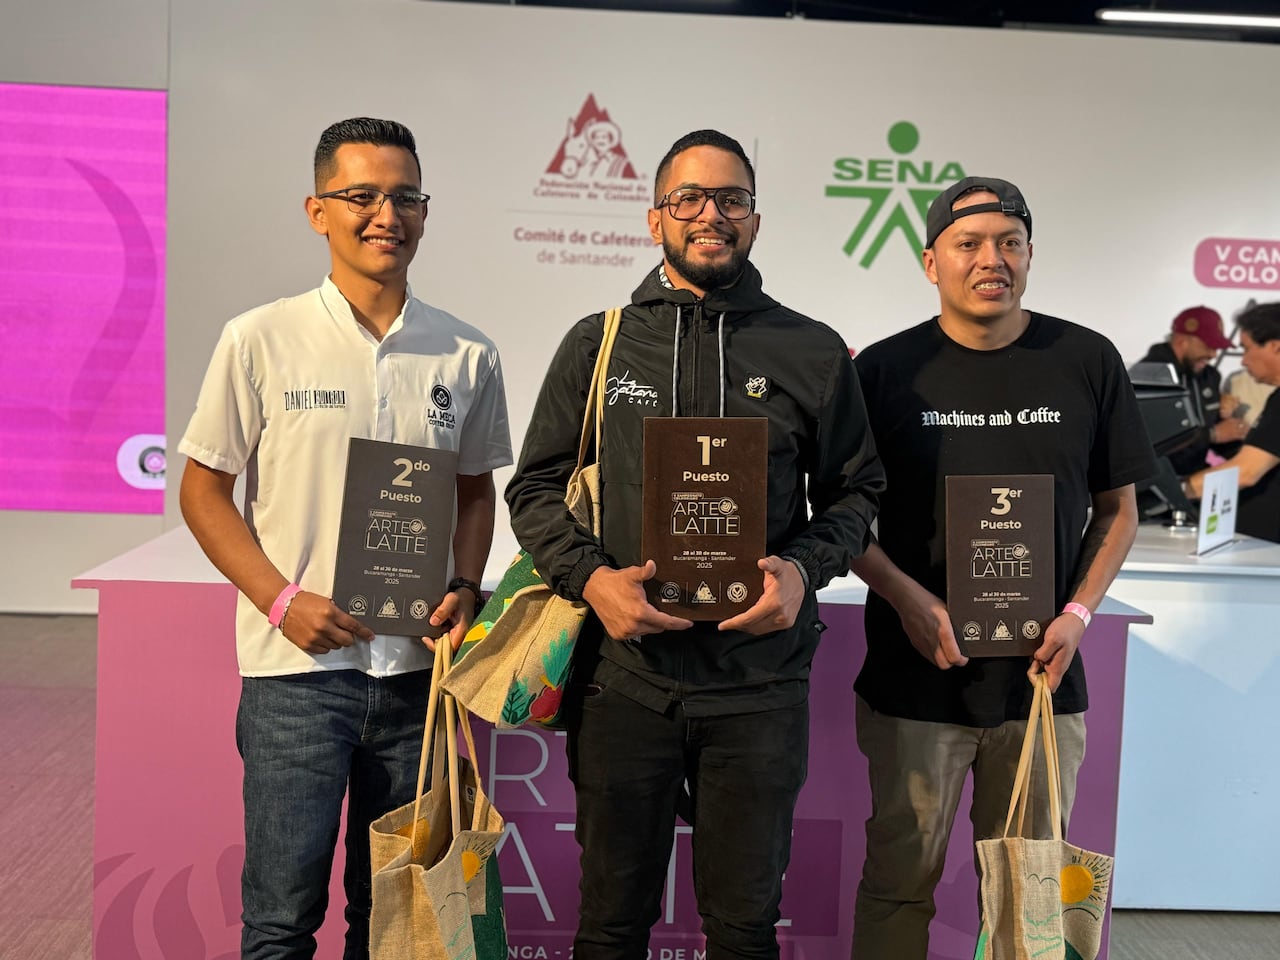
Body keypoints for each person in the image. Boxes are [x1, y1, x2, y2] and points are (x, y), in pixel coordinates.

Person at [506, 129, 884, 960]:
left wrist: (802, 570)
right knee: (611, 926)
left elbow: (857, 495)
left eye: (732, 199)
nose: (711, 214)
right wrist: (592, 580)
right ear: (656, 219)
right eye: (689, 198)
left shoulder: (813, 350)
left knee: (744, 930)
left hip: (760, 685)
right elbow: (532, 490)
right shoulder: (600, 342)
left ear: (755, 219)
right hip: (624, 681)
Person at [178, 117, 512, 960]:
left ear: (425, 213)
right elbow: (204, 491)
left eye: (405, 197)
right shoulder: (259, 338)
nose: (385, 215)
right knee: (280, 921)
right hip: (296, 678)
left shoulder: (467, 352)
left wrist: (465, 585)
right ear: (317, 210)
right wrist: (280, 600)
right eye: (361, 195)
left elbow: (476, 490)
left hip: (416, 679)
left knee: (393, 922)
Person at [848, 176, 1156, 959]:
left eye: (1010, 242)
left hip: (1042, 685)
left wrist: (1078, 614)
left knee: (1032, 898)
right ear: (931, 262)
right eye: (969, 243)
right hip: (916, 683)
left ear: (1029, 255)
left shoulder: (1086, 360)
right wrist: (908, 600)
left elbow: (1119, 510)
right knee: (898, 885)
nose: (993, 259)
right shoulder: (883, 372)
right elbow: (841, 520)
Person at [1185, 302, 1280, 542]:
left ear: (1275, 346)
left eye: (1246, 349)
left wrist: (1178, 491)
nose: (1243, 361)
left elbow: (1246, 471)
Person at [1139, 305, 1248, 473]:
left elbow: (1218, 433)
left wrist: (1242, 441)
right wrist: (1212, 434)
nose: (1214, 355)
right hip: (1155, 481)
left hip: (1196, 475)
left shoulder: (1210, 376)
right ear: (1182, 341)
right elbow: (1147, 440)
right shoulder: (1146, 377)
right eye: (1209, 346)